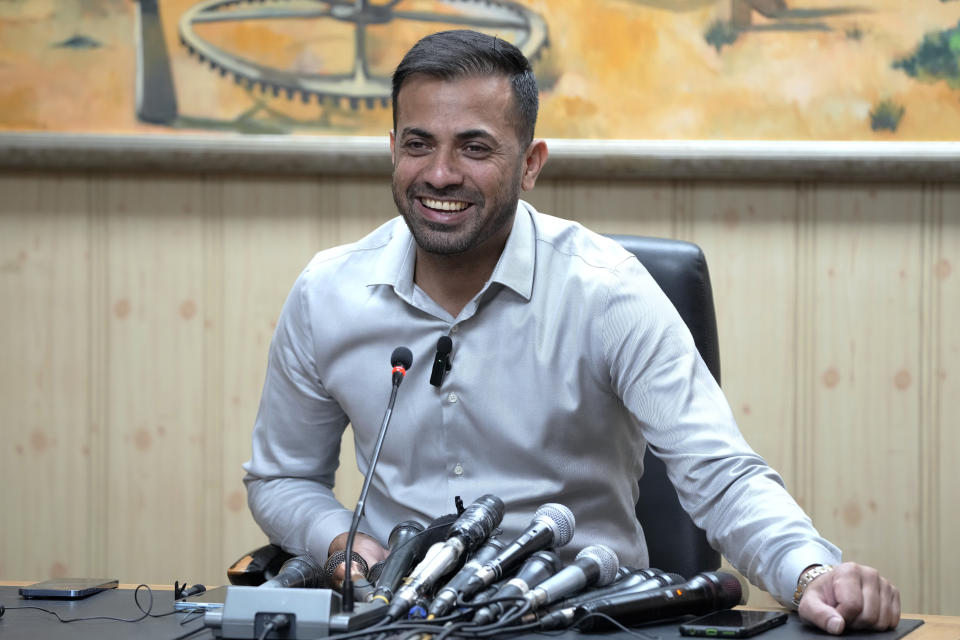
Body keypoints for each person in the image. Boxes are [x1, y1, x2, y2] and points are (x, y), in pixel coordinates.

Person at [243, 29, 900, 634]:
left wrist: (813, 573)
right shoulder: (328, 292)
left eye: (475, 148)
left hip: (579, 620)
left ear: (531, 164)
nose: (440, 174)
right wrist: (338, 538)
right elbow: (282, 478)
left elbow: (720, 475)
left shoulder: (608, 291)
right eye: (418, 144)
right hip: (395, 616)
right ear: (392, 151)